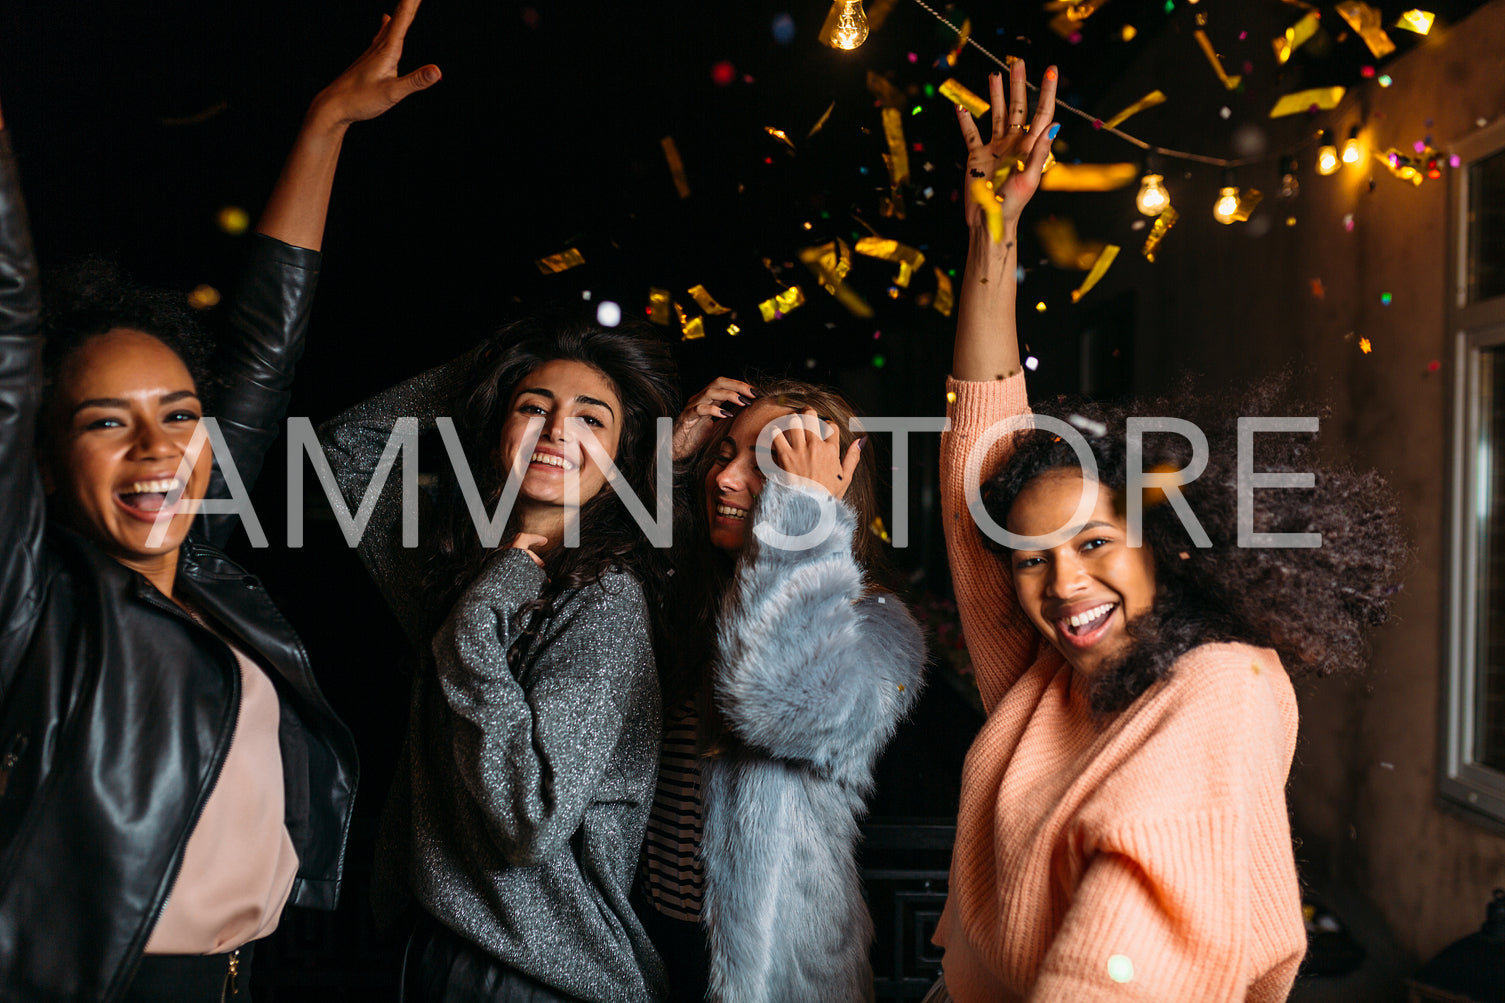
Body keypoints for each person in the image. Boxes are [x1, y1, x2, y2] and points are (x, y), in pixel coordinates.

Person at [927, 61, 1407, 1002]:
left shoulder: (1218, 688)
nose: (1061, 581)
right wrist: (992, 232)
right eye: (1030, 555)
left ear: (1166, 540)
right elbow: (980, 452)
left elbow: (1119, 964)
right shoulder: (1043, 679)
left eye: (1095, 542)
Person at [0, 7, 438, 999]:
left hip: (237, 978)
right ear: (43, 454)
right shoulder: (38, 600)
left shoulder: (201, 563)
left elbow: (264, 346)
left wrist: (326, 124)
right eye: (106, 422)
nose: (158, 448)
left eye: (179, 414)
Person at [319, 317, 678, 1001]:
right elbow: (351, 447)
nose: (556, 431)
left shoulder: (604, 599)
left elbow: (530, 818)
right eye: (533, 408)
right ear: (495, 430)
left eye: (590, 420)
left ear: (621, 459)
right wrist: (498, 367)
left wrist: (486, 608)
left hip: (534, 972)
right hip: (434, 939)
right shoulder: (451, 571)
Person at [638, 377, 926, 1003]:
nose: (725, 479)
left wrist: (803, 515)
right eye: (723, 453)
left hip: (775, 975)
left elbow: (778, 702)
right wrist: (665, 461)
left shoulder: (877, 625)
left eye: (769, 464)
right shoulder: (682, 600)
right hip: (648, 949)